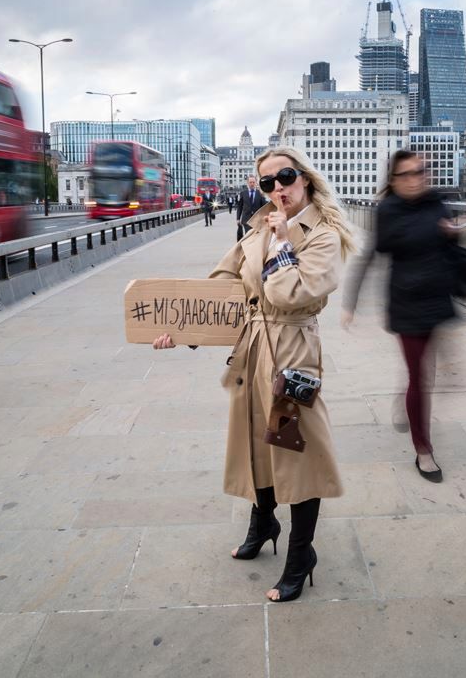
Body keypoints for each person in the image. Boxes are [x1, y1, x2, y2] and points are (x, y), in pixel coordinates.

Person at [153, 147, 355, 603]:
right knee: (254, 443)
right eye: (267, 182)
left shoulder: (323, 235)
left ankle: (301, 556)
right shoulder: (254, 230)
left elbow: (288, 294)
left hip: (291, 357)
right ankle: (263, 522)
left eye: (284, 177)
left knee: (292, 450)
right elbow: (220, 289)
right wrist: (178, 328)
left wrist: (283, 242)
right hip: (251, 350)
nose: (277, 188)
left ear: (304, 177)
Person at [341, 150, 461, 483]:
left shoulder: (437, 203)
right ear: (394, 180)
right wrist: (350, 302)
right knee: (421, 378)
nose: (417, 178)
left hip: (437, 297)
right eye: (407, 173)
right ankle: (423, 450)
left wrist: (451, 232)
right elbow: (368, 256)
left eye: (421, 171)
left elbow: (446, 247)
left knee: (431, 374)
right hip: (406, 302)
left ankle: (407, 397)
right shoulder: (388, 211)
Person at [236, 175, 264, 242]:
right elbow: (239, 207)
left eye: (253, 182)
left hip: (257, 220)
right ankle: (248, 251)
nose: (252, 184)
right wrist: (238, 218)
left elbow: (264, 205)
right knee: (248, 237)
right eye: (250, 182)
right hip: (246, 219)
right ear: (247, 183)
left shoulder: (260, 193)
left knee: (256, 237)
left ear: (256, 183)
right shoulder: (243, 193)